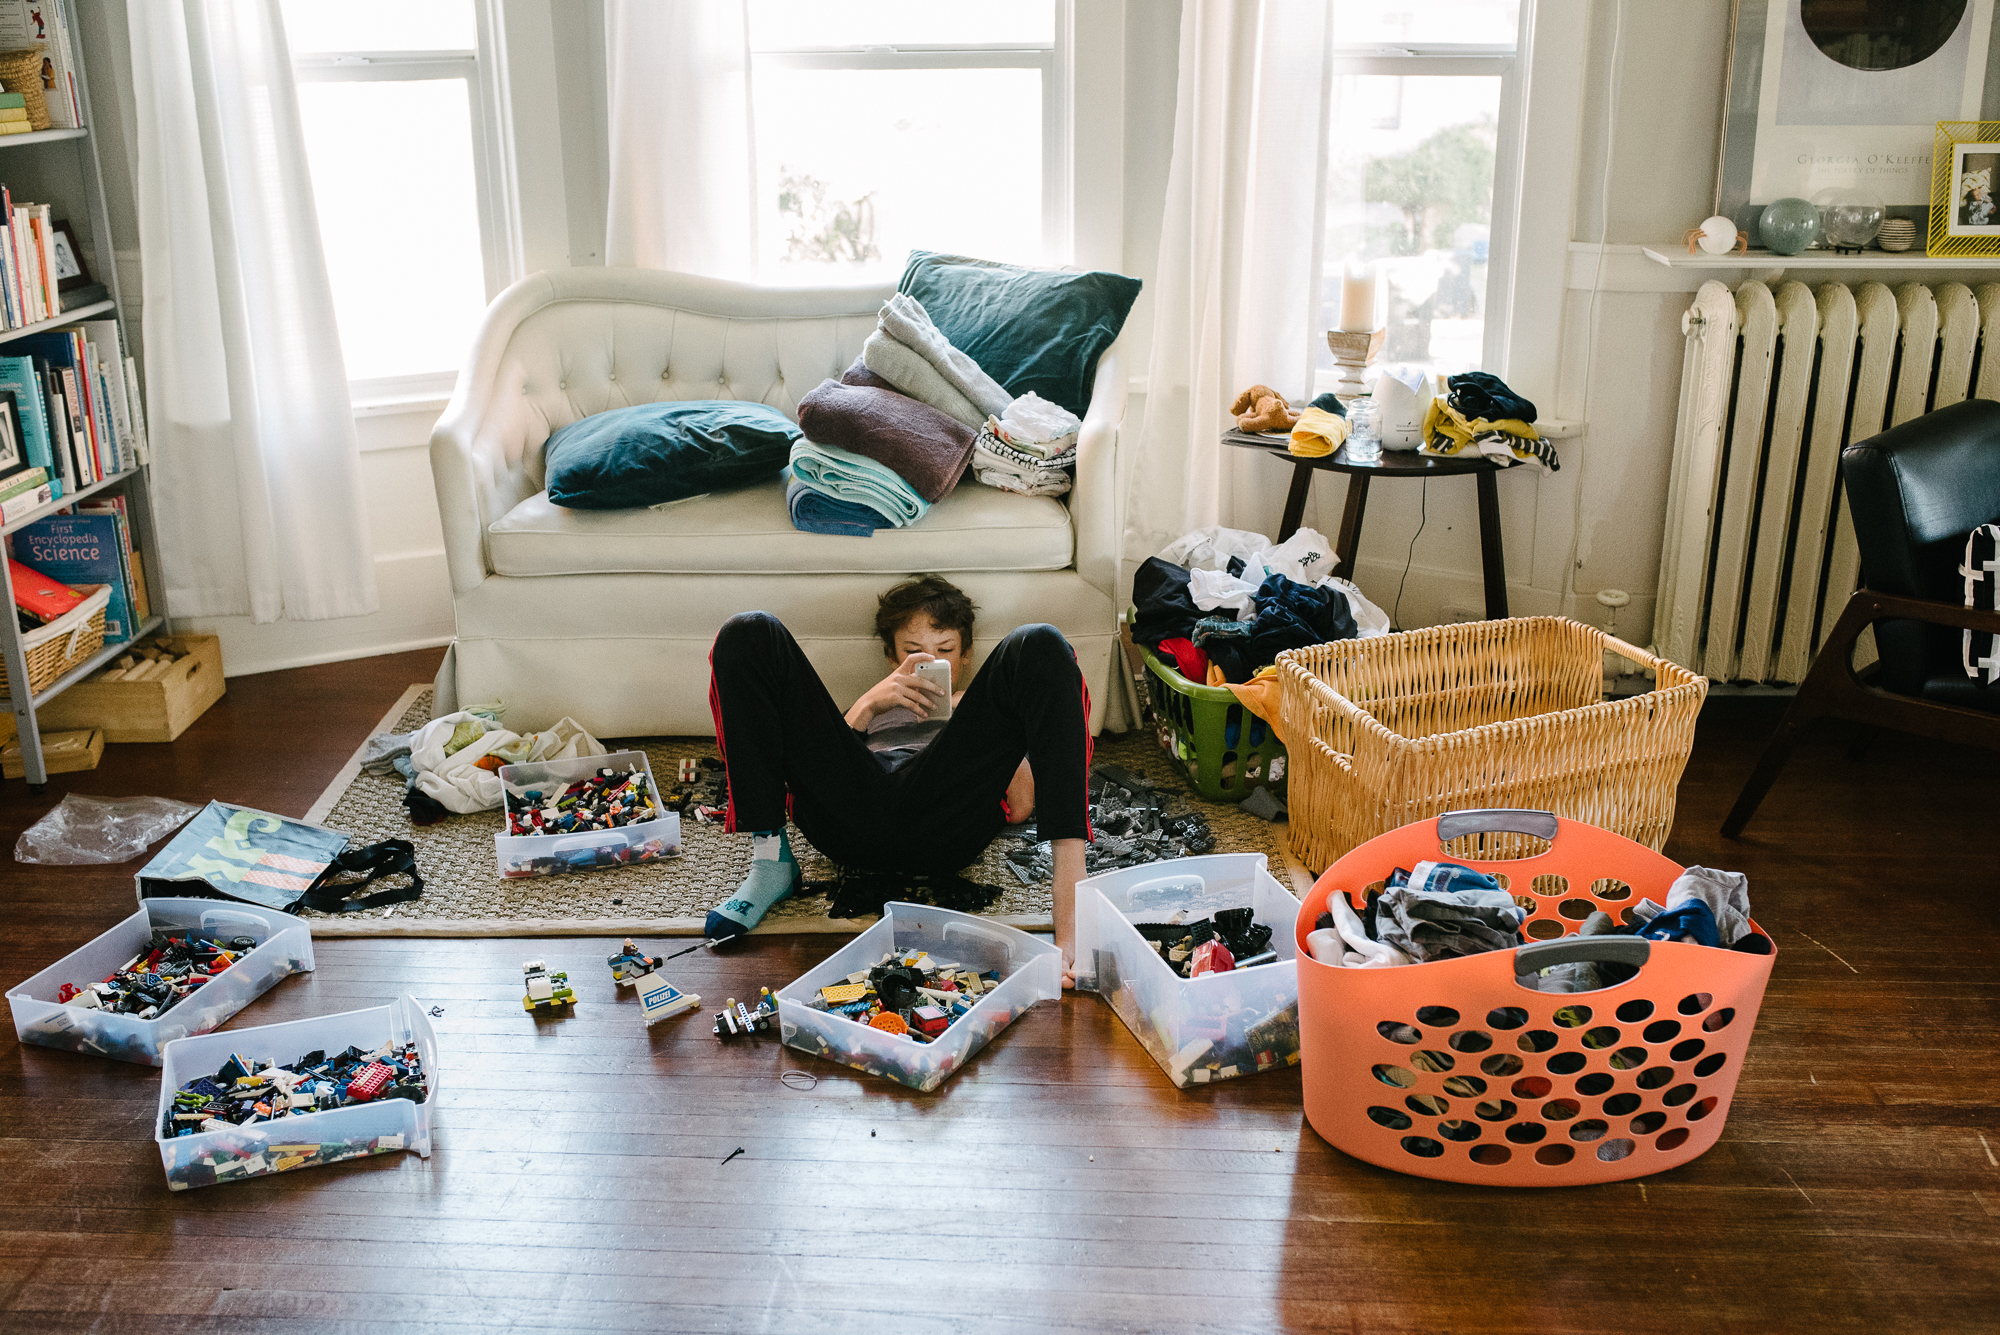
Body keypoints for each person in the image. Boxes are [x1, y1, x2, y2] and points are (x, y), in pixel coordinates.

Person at [705, 575, 1091, 977]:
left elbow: (1020, 806)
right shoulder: (871, 705)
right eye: (914, 652)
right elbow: (801, 781)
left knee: (1041, 641)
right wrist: (867, 706)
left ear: (965, 657)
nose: (930, 662)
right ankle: (770, 863)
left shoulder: (980, 710)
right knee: (748, 631)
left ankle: (1072, 896)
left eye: (944, 651)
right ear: (892, 657)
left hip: (941, 818)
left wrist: (979, 721)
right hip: (854, 812)